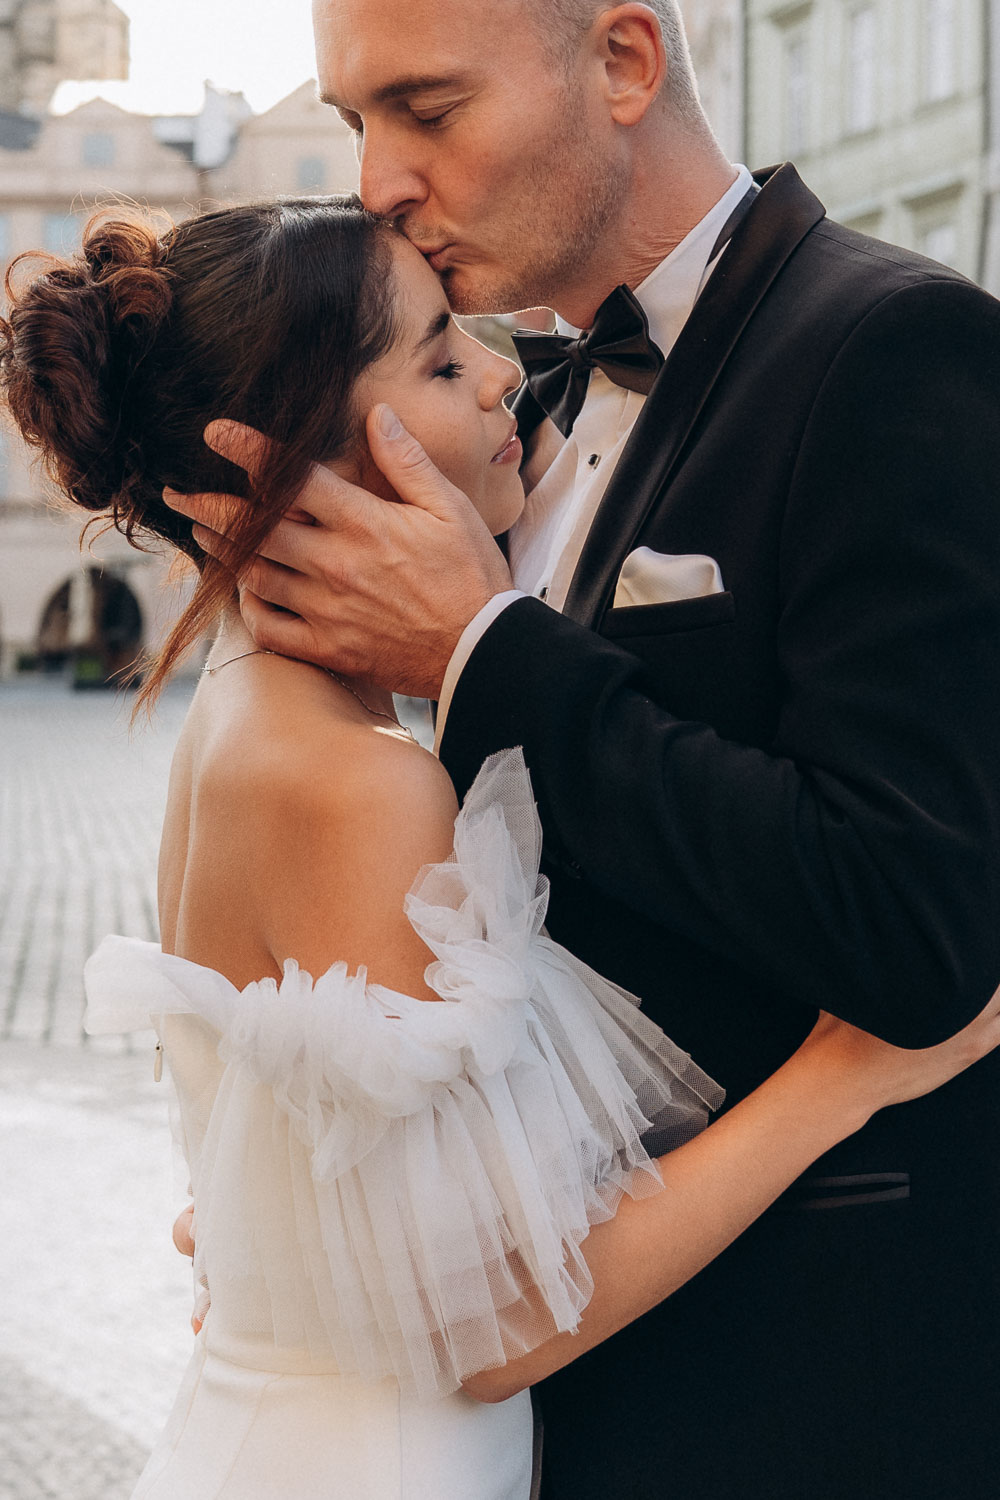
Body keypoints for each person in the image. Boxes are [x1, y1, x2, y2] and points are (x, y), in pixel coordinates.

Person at [4, 197, 999, 1500]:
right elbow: (485, 1328)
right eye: (435, 357)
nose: (499, 372)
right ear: (291, 465)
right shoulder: (362, 786)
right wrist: (846, 1076)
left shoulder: (255, 726)